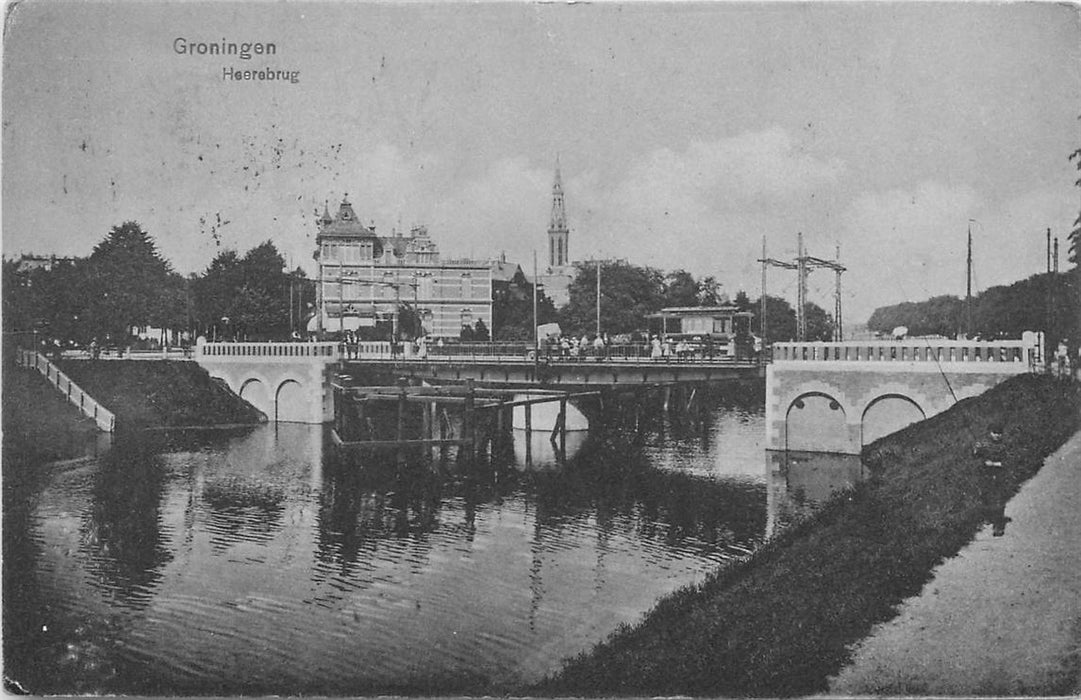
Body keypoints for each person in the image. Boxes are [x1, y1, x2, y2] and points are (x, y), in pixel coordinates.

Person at [973, 423, 1011, 537]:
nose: (997, 435)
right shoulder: (984, 443)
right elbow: (976, 456)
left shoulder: (1004, 446)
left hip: (999, 474)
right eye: (994, 433)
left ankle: (998, 526)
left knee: (999, 498)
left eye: (999, 433)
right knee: (985, 495)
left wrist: (994, 464)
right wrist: (976, 449)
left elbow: (1008, 461)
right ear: (989, 433)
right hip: (985, 474)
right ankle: (987, 517)